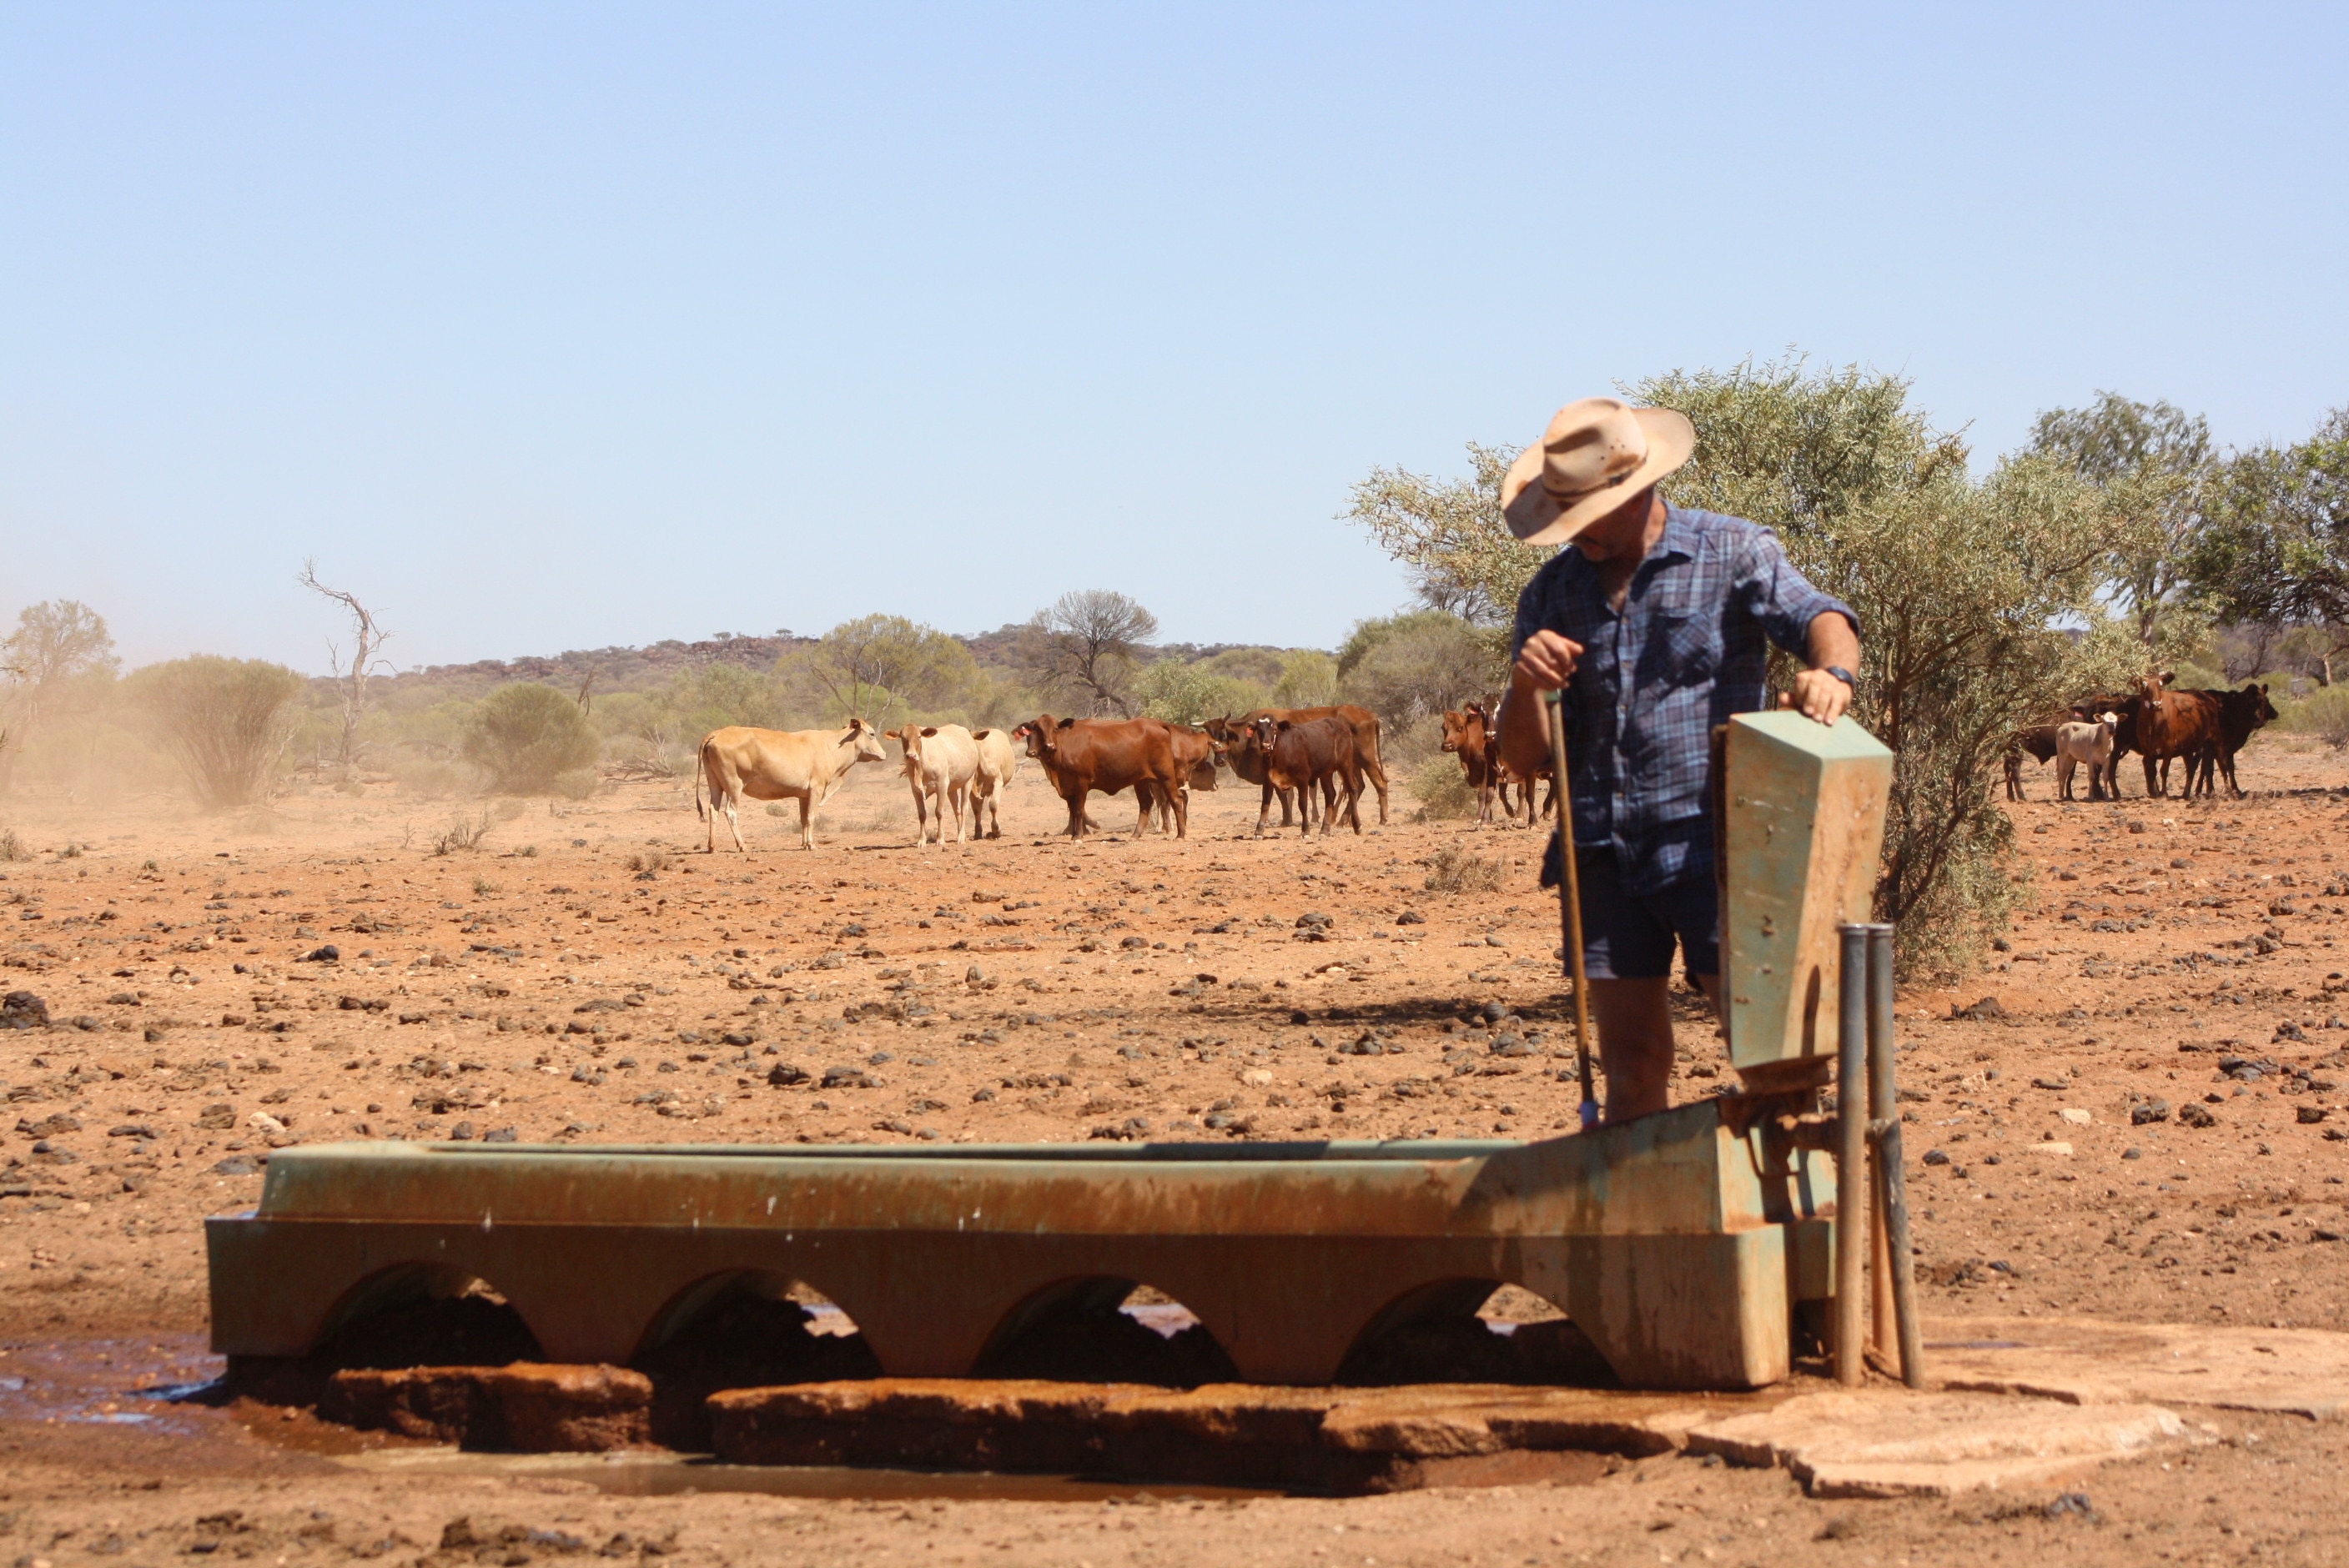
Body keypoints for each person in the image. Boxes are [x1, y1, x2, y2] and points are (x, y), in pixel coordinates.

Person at [1496, 398, 1860, 1123]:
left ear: (1637, 489)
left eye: (1593, 512)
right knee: (1631, 1065)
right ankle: (1642, 1221)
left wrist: (1833, 675)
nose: (1582, 533)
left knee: (1771, 1052)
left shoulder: (1732, 551)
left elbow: (1822, 618)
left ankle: (1784, 1219)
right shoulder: (1552, 593)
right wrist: (1527, 683)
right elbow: (1523, 757)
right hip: (1602, 852)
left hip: (1719, 847)